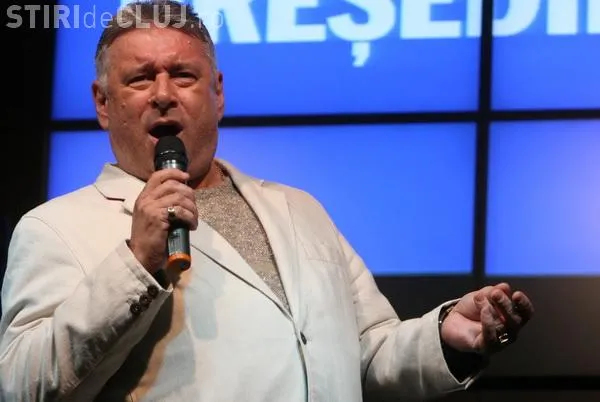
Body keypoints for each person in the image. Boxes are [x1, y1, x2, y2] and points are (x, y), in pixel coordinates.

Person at [0, 1, 534, 401]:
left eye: (183, 75)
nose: (163, 93)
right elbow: (23, 385)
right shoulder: (56, 228)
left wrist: (446, 337)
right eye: (141, 78)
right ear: (102, 103)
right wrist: (136, 263)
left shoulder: (298, 209)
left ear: (218, 92)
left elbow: (368, 352)